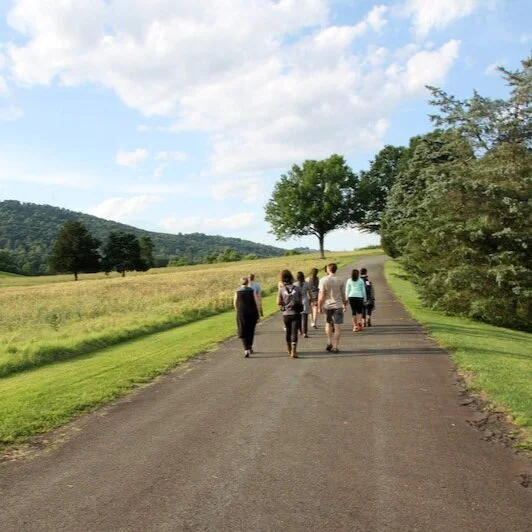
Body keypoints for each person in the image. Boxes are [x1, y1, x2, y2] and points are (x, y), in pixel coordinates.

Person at [318, 263, 347, 353]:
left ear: (328, 269)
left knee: (328, 324)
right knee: (337, 326)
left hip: (327, 305)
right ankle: (335, 346)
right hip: (338, 305)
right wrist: (344, 304)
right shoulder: (341, 280)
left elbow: (322, 295)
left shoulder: (323, 280)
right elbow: (343, 294)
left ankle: (329, 341)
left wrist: (319, 305)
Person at [277, 269, 302, 358]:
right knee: (294, 331)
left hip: (286, 314)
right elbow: (300, 300)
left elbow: (278, 302)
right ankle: (294, 350)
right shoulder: (298, 288)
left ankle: (289, 348)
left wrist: (285, 303)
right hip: (296, 313)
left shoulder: (281, 289)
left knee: (288, 331)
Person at [234, 276, 260, 357]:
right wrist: (258, 312)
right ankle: (249, 346)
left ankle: (246, 349)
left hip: (241, 313)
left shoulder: (237, 291)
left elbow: (235, 303)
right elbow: (257, 302)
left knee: (243, 330)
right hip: (252, 313)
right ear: (248, 282)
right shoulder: (252, 291)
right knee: (251, 330)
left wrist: (237, 311)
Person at [294, 271, 312, 338]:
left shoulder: (295, 284)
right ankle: (305, 333)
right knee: (305, 318)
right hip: (305, 301)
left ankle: (299, 330)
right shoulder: (307, 284)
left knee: (298, 317)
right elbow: (310, 293)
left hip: (298, 301)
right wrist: (313, 300)